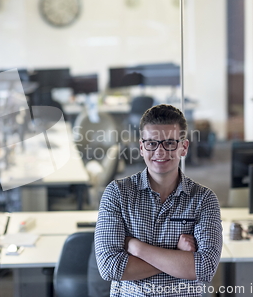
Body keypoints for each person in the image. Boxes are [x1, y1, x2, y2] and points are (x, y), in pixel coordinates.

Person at [95, 104, 222, 296]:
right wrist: (179, 257)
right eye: (152, 143)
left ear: (184, 147)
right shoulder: (118, 194)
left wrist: (137, 248)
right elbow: (110, 267)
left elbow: (204, 269)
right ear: (141, 147)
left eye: (169, 143)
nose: (160, 152)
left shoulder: (204, 200)